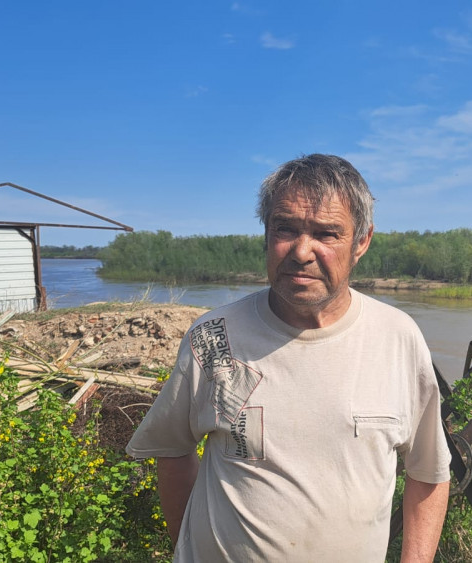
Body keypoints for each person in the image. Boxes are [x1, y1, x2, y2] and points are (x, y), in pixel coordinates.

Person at [126, 154, 452, 561]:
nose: (301, 251)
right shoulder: (214, 337)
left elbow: (428, 472)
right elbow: (173, 450)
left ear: (361, 242)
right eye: (285, 228)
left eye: (327, 234)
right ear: (266, 234)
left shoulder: (397, 338)